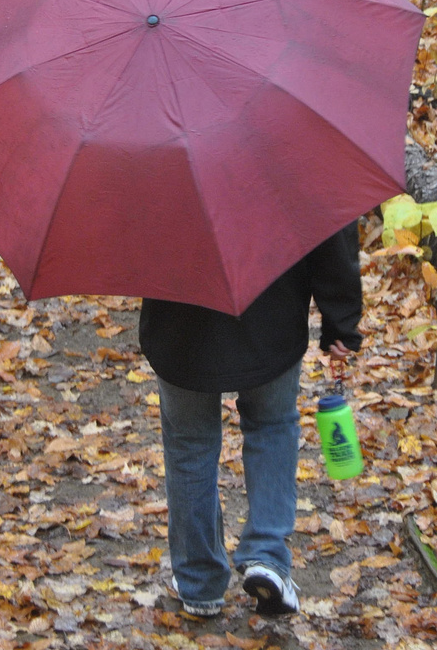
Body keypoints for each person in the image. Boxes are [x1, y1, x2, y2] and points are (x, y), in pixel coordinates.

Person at [138, 222, 364, 618]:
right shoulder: (296, 157)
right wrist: (340, 318)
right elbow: (329, 222)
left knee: (190, 443)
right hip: (271, 309)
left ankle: (198, 582)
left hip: (179, 315)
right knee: (271, 424)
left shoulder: (145, 157)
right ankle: (268, 558)